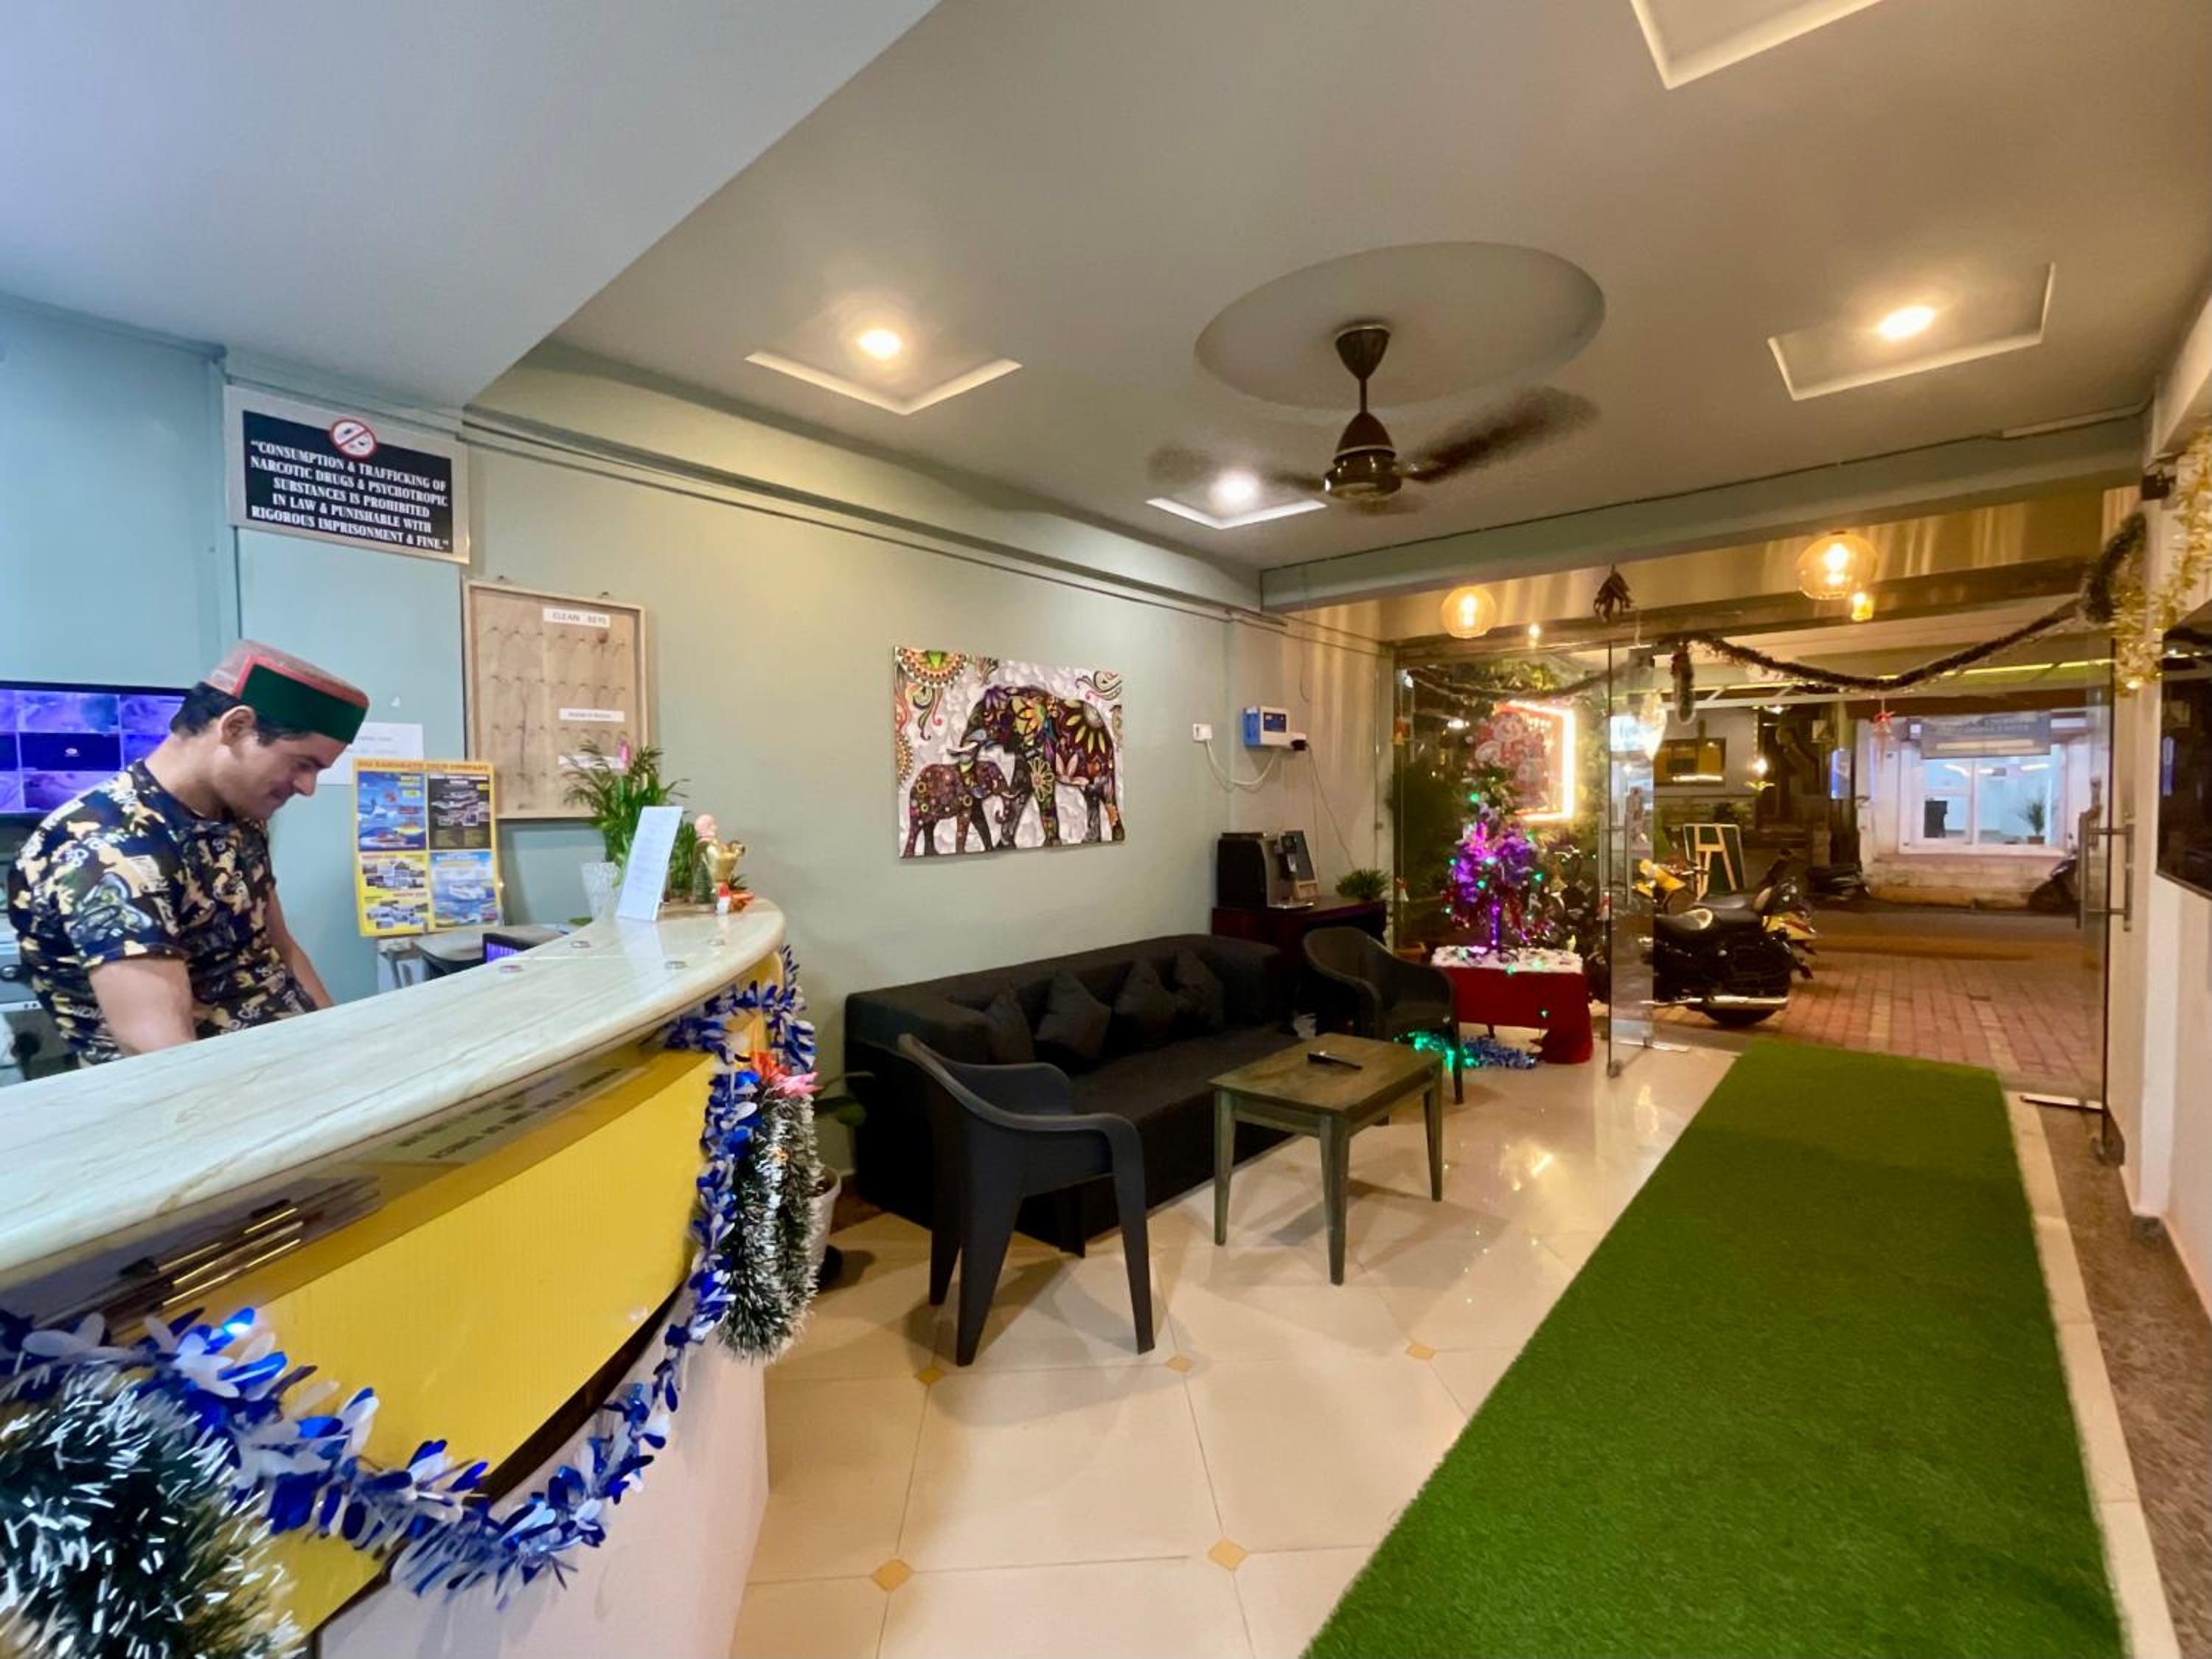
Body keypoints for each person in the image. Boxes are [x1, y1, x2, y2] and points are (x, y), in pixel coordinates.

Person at [4, 642, 367, 1065]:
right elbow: (162, 1051)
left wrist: (339, 1043)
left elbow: (279, 948)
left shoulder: (239, 816)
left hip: (292, 1059)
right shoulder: (107, 850)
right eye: (303, 764)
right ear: (236, 727)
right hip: (212, 1085)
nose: (308, 787)